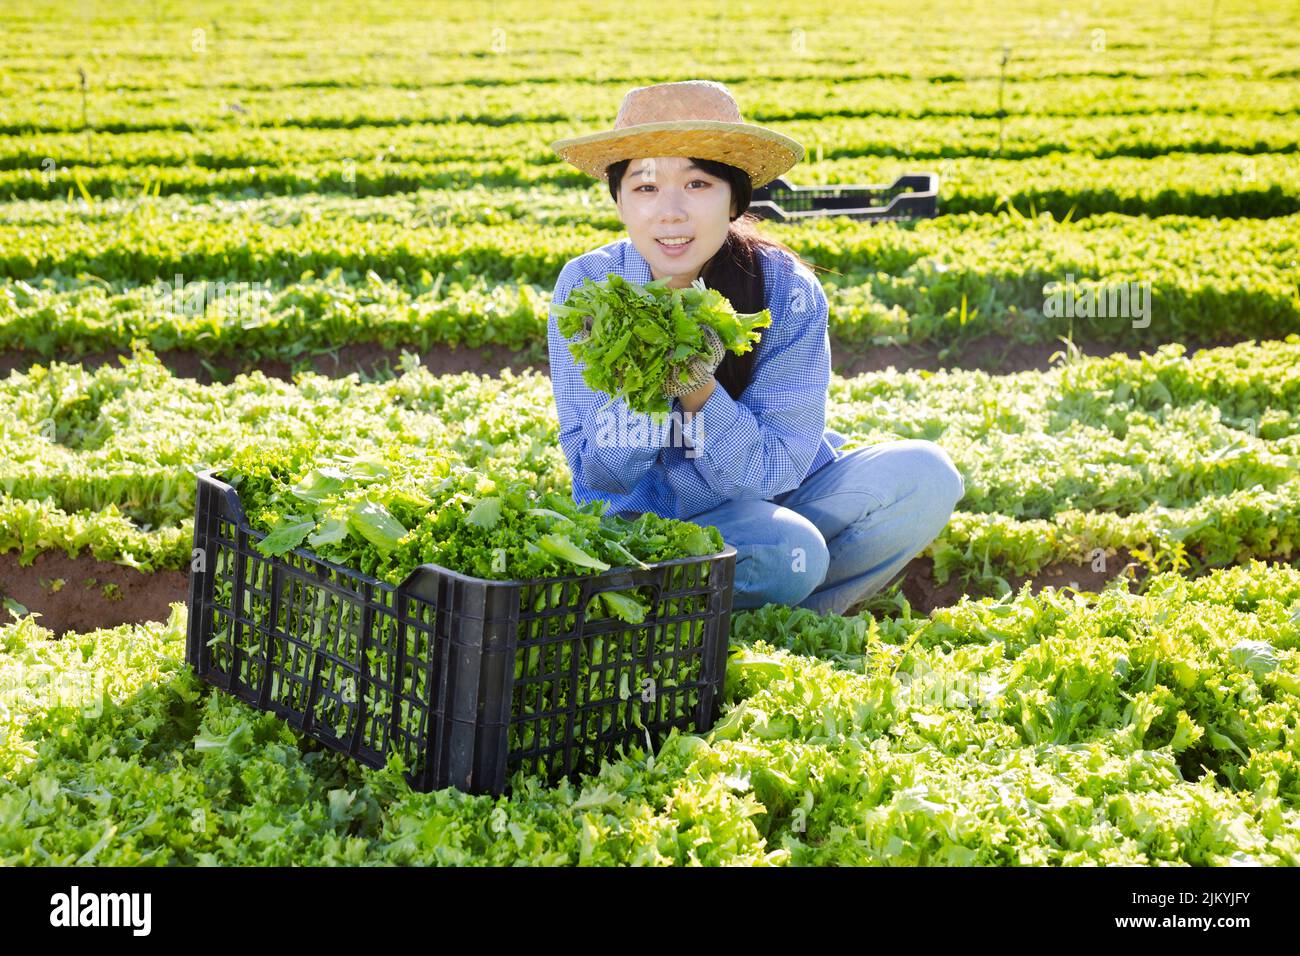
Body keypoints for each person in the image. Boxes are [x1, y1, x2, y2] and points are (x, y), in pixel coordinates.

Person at [547, 79, 964, 616]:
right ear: (620, 201)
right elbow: (597, 474)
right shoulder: (590, 288)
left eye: (698, 185)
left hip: (771, 493)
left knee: (925, 476)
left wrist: (701, 391)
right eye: (646, 187)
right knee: (789, 549)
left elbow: (778, 469)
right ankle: (753, 604)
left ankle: (784, 615)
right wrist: (648, 385)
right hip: (652, 522)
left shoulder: (785, 287)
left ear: (734, 199)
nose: (671, 212)